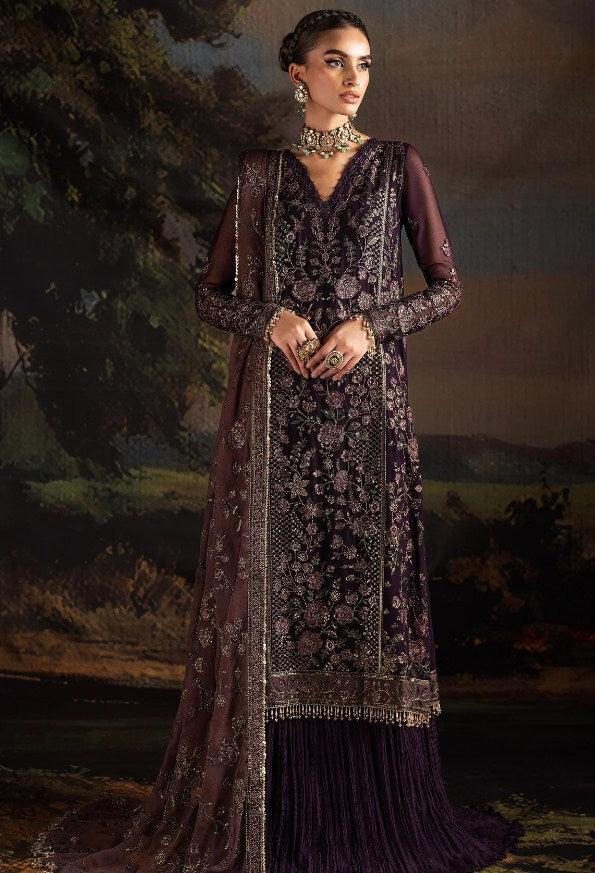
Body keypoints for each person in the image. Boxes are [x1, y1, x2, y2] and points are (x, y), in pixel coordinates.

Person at [32, 8, 525, 873]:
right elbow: (209, 293)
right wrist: (270, 319)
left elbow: (445, 286)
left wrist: (372, 325)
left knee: (362, 605)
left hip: (368, 425)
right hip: (276, 430)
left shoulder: (397, 166)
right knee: (277, 607)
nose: (353, 78)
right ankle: (276, 813)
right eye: (335, 61)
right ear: (296, 72)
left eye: (363, 63)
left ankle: (373, 808)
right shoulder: (258, 175)